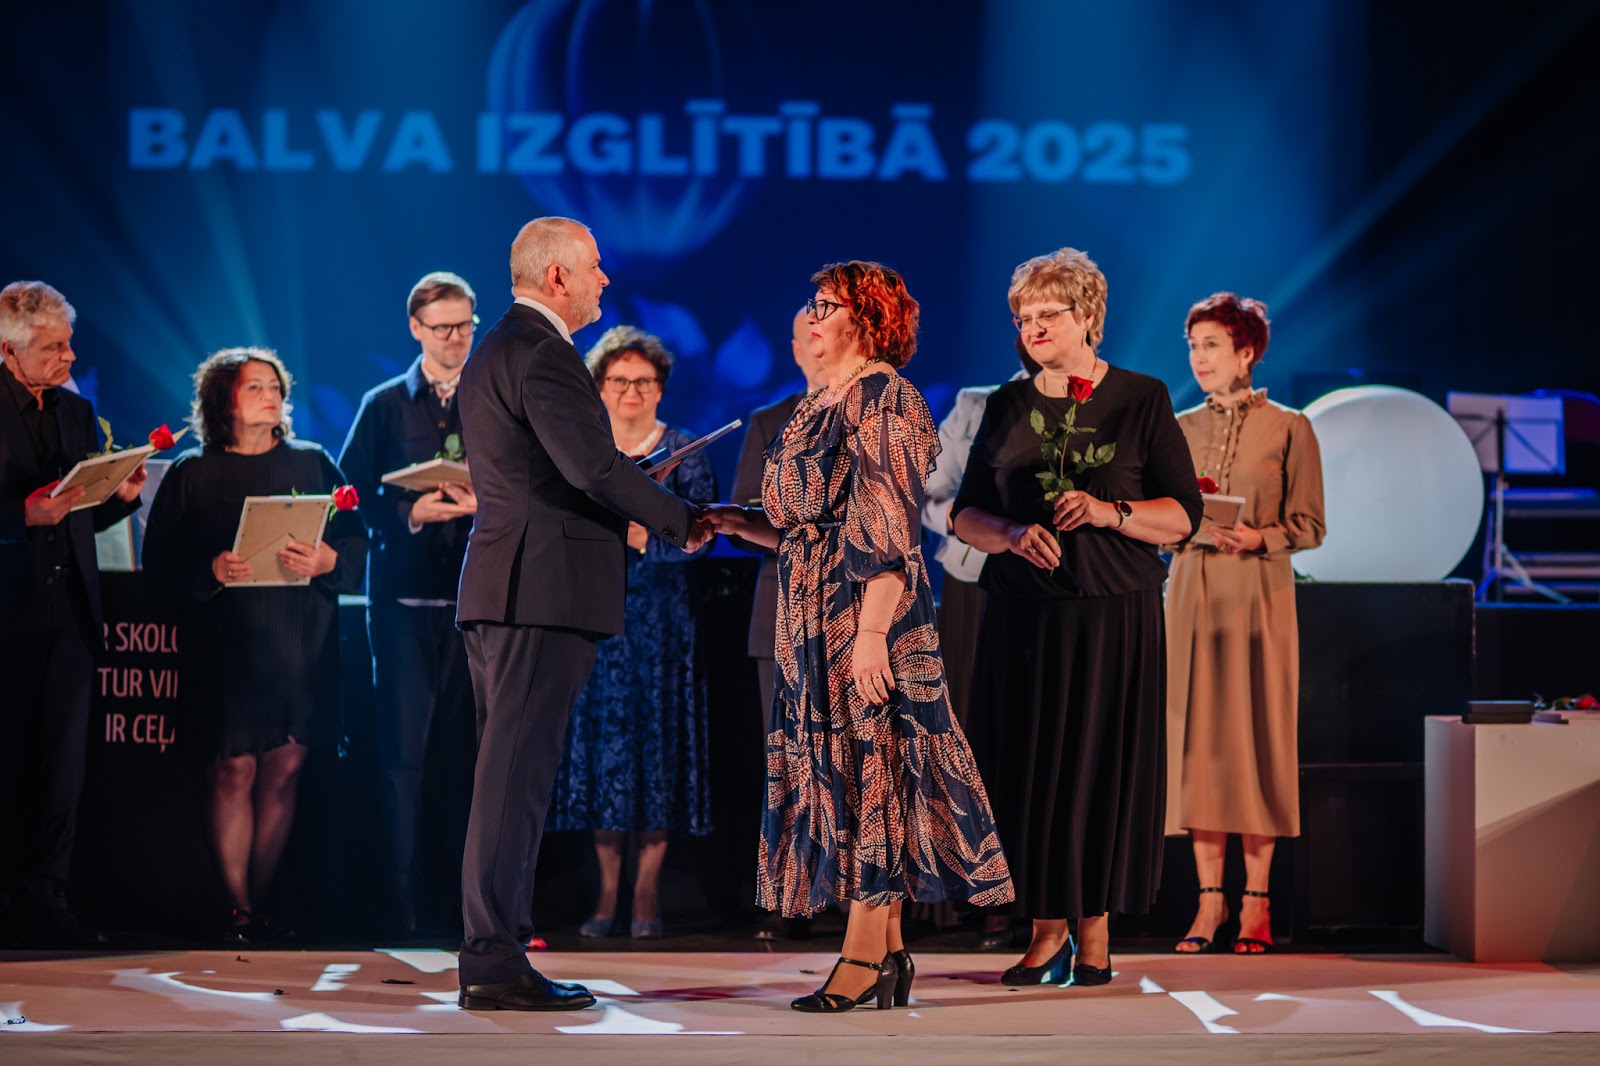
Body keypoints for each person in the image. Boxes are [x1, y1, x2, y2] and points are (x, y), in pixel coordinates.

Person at [707, 261, 1013, 1014]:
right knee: (850, 771)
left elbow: (887, 529)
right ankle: (892, 950)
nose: (811, 317)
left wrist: (872, 633)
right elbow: (808, 526)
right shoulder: (822, 402)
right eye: (810, 304)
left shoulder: (883, 397)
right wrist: (735, 522)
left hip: (865, 616)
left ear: (866, 320)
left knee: (875, 773)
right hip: (811, 616)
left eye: (826, 305)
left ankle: (862, 956)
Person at [453, 216, 711, 1013]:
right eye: (594, 267)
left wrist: (632, 484)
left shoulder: (502, 346)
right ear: (557, 276)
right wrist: (679, 518)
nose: (605, 279)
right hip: (538, 591)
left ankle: (499, 949)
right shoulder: (544, 351)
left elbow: (559, 470)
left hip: (510, 588)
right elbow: (592, 468)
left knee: (511, 780)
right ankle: (493, 961)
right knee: (514, 784)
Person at [952, 248, 1202, 987]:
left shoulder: (1141, 397)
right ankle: (1044, 931)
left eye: (1047, 315)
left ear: (1088, 316)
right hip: (1023, 618)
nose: (1032, 328)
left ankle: (1095, 934)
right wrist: (1009, 534)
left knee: (1098, 769)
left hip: (1111, 617)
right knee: (1026, 770)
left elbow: (1182, 516)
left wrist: (1108, 510)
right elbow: (965, 513)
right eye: (1022, 318)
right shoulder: (1005, 405)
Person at [142, 347, 369, 944]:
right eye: (255, 387)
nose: (272, 397)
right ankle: (236, 907)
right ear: (224, 401)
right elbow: (158, 564)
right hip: (227, 643)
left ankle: (259, 903)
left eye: (275, 386)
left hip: (300, 639)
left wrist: (329, 559)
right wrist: (211, 569)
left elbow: (356, 540)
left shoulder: (314, 462)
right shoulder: (192, 472)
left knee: (285, 769)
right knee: (233, 768)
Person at [1166, 292, 1325, 954]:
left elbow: (1310, 524)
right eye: (1193, 347)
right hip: (1192, 591)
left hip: (1258, 593)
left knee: (1255, 740)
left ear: (1247, 351)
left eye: (1211, 345)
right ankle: (1210, 902)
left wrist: (1260, 538)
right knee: (1198, 745)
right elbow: (1160, 513)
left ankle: (1257, 901)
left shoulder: (1290, 427)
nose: (1199, 358)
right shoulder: (1177, 426)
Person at [547, 326, 717, 940]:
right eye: (618, 381)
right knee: (605, 757)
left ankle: (646, 891)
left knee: (658, 755)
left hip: (666, 628)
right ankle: (606, 889)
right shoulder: (586, 450)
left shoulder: (687, 452)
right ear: (599, 387)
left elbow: (704, 538)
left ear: (660, 389)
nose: (631, 392)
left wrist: (649, 538)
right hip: (597, 623)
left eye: (643, 381)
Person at [0, 281, 145, 947]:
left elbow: (80, 514)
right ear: (9, 351)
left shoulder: (76, 412)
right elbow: (35, 512)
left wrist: (121, 498)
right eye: (53, 347)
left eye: (69, 343)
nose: (69, 356)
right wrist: (20, 517)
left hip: (70, 613)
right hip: (9, 611)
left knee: (61, 767)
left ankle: (47, 898)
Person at [338, 271, 480, 935]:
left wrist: (487, 503)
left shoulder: (490, 397)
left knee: (466, 760)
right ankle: (399, 905)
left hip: (474, 603)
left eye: (465, 325)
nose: (456, 338)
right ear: (416, 329)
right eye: (443, 327)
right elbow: (348, 496)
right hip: (401, 602)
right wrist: (408, 513)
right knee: (401, 759)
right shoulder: (386, 404)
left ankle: (463, 908)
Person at [919, 335, 1038, 948]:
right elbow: (931, 494)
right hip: (978, 579)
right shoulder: (978, 402)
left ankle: (1049, 894)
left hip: (1058, 583)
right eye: (1029, 320)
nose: (1039, 331)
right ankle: (987, 893)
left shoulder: (1102, 403)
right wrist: (982, 528)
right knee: (979, 734)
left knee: (1043, 737)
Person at [729, 305, 826, 943]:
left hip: (858, 608)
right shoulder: (770, 421)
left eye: (828, 331)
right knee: (787, 758)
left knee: (853, 758)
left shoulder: (874, 415)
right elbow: (744, 519)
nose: (818, 343)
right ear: (793, 348)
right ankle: (792, 896)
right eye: (807, 335)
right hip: (783, 606)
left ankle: (857, 895)